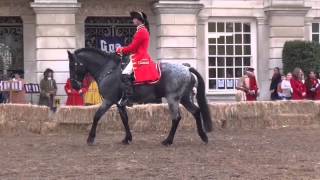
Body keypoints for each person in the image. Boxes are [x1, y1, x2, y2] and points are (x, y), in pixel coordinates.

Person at [116, 11, 160, 107]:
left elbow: (133, 48)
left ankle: (128, 99)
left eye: (134, 18)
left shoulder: (141, 31)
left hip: (139, 57)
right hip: (139, 55)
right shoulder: (141, 30)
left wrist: (120, 50)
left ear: (139, 20)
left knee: (125, 73)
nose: (133, 20)